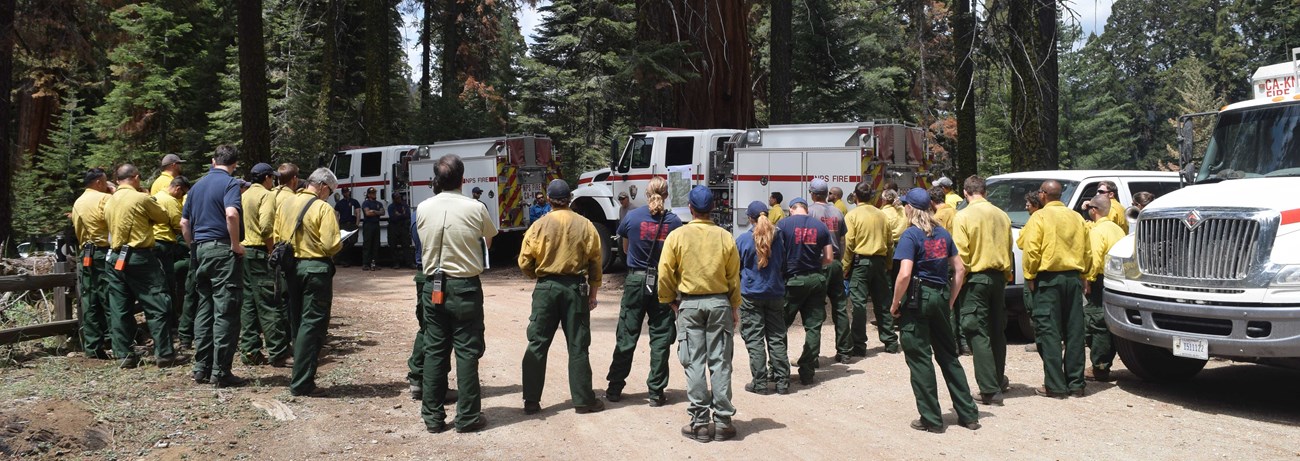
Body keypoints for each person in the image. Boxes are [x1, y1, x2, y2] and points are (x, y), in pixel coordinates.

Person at [415, 154, 499, 433]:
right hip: (464, 285)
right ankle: (467, 417)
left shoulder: (423, 207)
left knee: (435, 351)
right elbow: (489, 236)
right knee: (466, 351)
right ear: (463, 179)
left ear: (437, 180)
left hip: (433, 285)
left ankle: (432, 417)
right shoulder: (475, 207)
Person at [889, 187, 980, 433]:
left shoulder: (911, 236)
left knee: (920, 359)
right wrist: (949, 301)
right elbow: (960, 269)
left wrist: (895, 303)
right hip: (940, 296)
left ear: (910, 208)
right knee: (948, 356)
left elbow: (905, 273)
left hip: (918, 300)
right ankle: (969, 415)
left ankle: (931, 418)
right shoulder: (942, 233)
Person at [657, 185, 741, 442]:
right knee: (720, 363)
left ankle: (700, 424)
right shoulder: (725, 237)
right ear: (712, 208)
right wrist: (734, 307)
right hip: (719, 304)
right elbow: (734, 277)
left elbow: (664, 274)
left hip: (690, 305)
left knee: (694, 363)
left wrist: (670, 301)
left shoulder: (677, 236)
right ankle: (724, 423)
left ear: (691, 209)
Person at [518, 179, 605, 415]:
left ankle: (531, 401)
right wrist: (593, 294)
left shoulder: (538, 226)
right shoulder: (586, 225)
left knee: (537, 343)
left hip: (546, 289)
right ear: (570, 200)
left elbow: (524, 261)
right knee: (578, 344)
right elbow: (596, 262)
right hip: (575, 289)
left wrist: (537, 276)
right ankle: (584, 401)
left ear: (548, 200)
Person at [605, 177, 683, 406]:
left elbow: (626, 249)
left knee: (627, 335)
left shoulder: (632, 217)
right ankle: (656, 393)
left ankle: (614, 388)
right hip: (663, 284)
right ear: (666, 195)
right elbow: (677, 257)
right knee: (660, 338)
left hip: (636, 280)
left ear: (646, 194)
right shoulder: (674, 222)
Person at [275, 167, 345, 397]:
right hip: (315, 270)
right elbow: (331, 244)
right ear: (323, 186)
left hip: (291, 269)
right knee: (312, 325)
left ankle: (300, 375)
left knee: (297, 321)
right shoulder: (323, 208)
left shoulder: (285, 203)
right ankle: (302, 382)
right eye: (331, 191)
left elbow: (277, 237)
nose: (330, 195)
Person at [1018, 180, 1090, 399]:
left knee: (1049, 332)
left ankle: (1055, 385)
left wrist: (1029, 275)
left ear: (1042, 195)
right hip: (1073, 278)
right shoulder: (1076, 217)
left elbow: (1031, 249)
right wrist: (1085, 275)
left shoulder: (1039, 217)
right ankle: (1076, 384)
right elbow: (1087, 249)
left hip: (1048, 281)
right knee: (1074, 331)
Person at [181, 146, 246, 387]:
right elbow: (231, 214)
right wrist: (235, 244)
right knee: (226, 311)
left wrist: (193, 247)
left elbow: (184, 222)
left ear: (212, 161)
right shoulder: (230, 184)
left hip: (200, 250)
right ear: (235, 164)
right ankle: (221, 372)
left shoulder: (196, 186)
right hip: (222, 251)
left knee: (204, 309)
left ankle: (201, 367)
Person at [104, 164, 177, 369]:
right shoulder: (140, 198)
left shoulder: (110, 201)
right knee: (157, 303)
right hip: (139, 257)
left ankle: (123, 355)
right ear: (135, 178)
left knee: (120, 308)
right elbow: (163, 217)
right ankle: (164, 353)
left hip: (115, 257)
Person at [951, 175, 1014, 405]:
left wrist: (955, 287)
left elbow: (961, 256)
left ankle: (989, 389)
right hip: (999, 278)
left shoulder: (964, 215)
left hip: (976, 280)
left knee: (977, 331)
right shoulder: (1001, 214)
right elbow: (1008, 248)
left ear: (966, 193)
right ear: (985, 192)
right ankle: (997, 379)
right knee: (997, 330)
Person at [237, 163, 290, 368]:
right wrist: (271, 250)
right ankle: (278, 352)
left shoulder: (244, 194)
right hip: (260, 252)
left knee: (249, 304)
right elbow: (266, 226)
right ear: (267, 178)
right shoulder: (266, 195)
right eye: (272, 178)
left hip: (245, 253)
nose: (273, 181)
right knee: (270, 303)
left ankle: (250, 351)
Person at [737, 201, 790, 396]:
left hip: (751, 294)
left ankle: (759, 383)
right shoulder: (779, 239)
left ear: (750, 218)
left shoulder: (743, 240)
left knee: (755, 339)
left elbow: (736, 268)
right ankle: (783, 381)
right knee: (776, 336)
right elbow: (784, 264)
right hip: (775, 292)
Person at [841, 181, 899, 356]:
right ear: (872, 196)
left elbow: (849, 244)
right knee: (882, 302)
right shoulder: (882, 215)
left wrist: (845, 266)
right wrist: (888, 264)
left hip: (860, 264)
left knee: (858, 305)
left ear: (855, 196)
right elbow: (889, 243)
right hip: (880, 263)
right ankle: (890, 341)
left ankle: (859, 345)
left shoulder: (852, 216)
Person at [780, 197, 832, 385]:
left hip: (792, 281)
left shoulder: (783, 225)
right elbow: (828, 258)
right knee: (813, 327)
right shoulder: (820, 226)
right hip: (816, 280)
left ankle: (780, 370)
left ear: (792, 209)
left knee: (780, 327)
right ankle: (807, 371)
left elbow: (777, 254)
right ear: (806, 210)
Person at [807, 179, 851, 364]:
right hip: (836, 262)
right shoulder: (838, 212)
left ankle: (813, 355)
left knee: (816, 309)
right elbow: (842, 240)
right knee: (840, 307)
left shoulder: (810, 213)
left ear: (813, 194)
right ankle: (845, 351)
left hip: (819, 264)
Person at [71, 168, 113, 359]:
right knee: (111, 296)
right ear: (98, 183)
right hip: (103, 252)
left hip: (85, 253)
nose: (107, 184)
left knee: (89, 299)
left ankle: (92, 345)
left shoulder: (78, 202)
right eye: (105, 181)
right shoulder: (104, 199)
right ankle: (117, 341)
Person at [1083, 195, 1123, 382]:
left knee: (1097, 323)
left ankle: (1100, 366)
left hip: (1099, 280)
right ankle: (1104, 362)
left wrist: (1088, 280)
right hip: (1116, 281)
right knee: (1109, 322)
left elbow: (1095, 258)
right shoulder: (1117, 229)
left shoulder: (1097, 232)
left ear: (1094, 210)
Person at [151, 176, 190, 340]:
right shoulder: (171, 201)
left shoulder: (155, 197)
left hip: (152, 242)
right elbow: (178, 223)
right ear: (178, 189)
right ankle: (171, 322)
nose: (181, 198)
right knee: (168, 283)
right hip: (165, 243)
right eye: (182, 194)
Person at [928, 185, 964, 355]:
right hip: (959, 260)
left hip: (947, 262)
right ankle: (963, 342)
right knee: (959, 304)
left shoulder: (938, 217)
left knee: (947, 304)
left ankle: (952, 343)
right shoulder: (956, 212)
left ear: (931, 202)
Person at [272, 163, 302, 338]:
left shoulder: (272, 194)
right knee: (288, 299)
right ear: (294, 179)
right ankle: (291, 338)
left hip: (275, 250)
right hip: (287, 254)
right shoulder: (291, 199)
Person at [334, 187, 360, 268]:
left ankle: (344, 258)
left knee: (353, 241)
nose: (346, 193)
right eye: (344, 192)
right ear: (342, 193)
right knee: (344, 243)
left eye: (347, 192)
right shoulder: (339, 203)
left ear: (349, 192)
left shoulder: (354, 202)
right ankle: (345, 260)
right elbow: (336, 215)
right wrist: (337, 226)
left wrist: (357, 224)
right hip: (343, 224)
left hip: (352, 224)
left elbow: (358, 213)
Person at [360, 187, 385, 271]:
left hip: (376, 225)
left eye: (374, 193)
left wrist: (373, 211)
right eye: (371, 193)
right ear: (368, 194)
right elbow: (367, 213)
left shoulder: (379, 203)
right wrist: (376, 212)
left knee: (376, 245)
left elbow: (383, 212)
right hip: (368, 225)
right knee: (367, 244)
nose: (373, 194)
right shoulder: (365, 203)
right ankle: (365, 264)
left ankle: (374, 264)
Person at [388, 193, 412, 269]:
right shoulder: (391, 207)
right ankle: (395, 263)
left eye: (399, 197)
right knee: (393, 245)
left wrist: (399, 215)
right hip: (393, 227)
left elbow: (408, 215)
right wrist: (402, 215)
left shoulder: (405, 205)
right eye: (397, 198)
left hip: (403, 227)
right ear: (394, 199)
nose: (399, 199)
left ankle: (409, 263)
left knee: (406, 245)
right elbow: (393, 218)